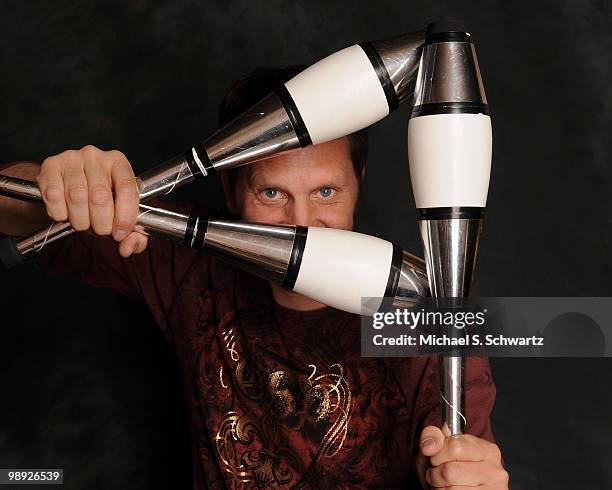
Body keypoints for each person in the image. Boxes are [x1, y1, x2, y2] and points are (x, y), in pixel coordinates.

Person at [0, 66, 508, 489]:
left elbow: (467, 469)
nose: (301, 221)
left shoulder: (428, 315)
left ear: (360, 181)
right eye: (272, 194)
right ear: (230, 186)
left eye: (326, 192)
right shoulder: (186, 259)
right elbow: (13, 210)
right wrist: (59, 186)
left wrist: (467, 478)